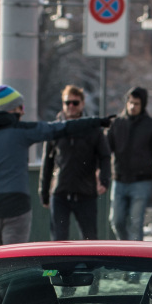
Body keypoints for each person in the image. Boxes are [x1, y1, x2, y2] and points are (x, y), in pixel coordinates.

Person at [0, 84, 110, 248]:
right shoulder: (22, 131)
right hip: (16, 204)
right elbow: (62, 128)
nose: (23, 111)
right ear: (11, 109)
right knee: (14, 256)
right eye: (20, 107)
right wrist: (96, 122)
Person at [40, 85, 110, 241]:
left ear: (82, 104)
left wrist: (104, 179)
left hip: (86, 192)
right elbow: (47, 162)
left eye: (75, 103)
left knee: (89, 240)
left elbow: (105, 156)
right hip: (60, 192)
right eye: (67, 103)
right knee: (59, 240)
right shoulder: (55, 129)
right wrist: (44, 192)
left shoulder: (93, 129)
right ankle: (60, 267)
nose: (71, 106)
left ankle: (89, 266)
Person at [106, 86, 152, 241]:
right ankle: (124, 254)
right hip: (119, 179)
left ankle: (135, 260)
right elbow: (105, 151)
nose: (132, 106)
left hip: (142, 181)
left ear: (142, 105)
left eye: (136, 103)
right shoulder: (117, 124)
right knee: (116, 221)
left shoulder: (151, 126)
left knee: (136, 223)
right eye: (130, 102)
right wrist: (99, 172)